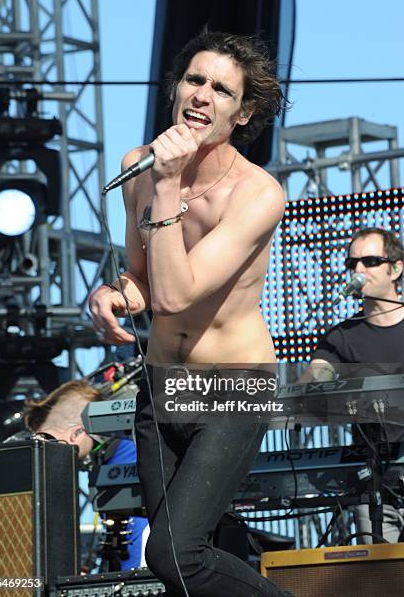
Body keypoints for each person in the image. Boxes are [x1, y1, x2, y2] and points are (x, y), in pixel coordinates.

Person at [89, 30, 291, 597]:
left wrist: (169, 183)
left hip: (230, 389)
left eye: (221, 89)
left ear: (242, 111)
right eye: (194, 81)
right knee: (195, 565)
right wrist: (112, 295)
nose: (202, 95)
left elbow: (180, 295)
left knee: (172, 555)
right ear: (175, 90)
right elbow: (147, 282)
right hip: (161, 389)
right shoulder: (140, 165)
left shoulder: (257, 193)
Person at [304, 227, 404, 543]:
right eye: (353, 263)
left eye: (371, 261)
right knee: (383, 581)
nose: (359, 270)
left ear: (397, 268)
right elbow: (314, 378)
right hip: (372, 479)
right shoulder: (342, 336)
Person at [24, 380, 149, 570]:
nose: (44, 460)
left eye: (51, 444)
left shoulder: (128, 455)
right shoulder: (115, 457)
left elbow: (135, 556)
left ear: (77, 433)